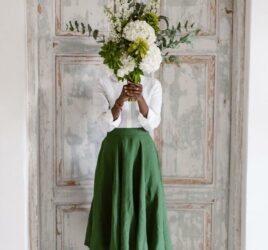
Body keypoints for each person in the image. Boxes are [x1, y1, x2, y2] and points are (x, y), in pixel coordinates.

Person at [84, 72, 173, 250]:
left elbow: (153, 123)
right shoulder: (102, 83)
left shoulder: (153, 84)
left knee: (146, 196)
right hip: (113, 149)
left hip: (143, 149)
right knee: (112, 196)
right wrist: (121, 99)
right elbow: (104, 124)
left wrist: (140, 99)